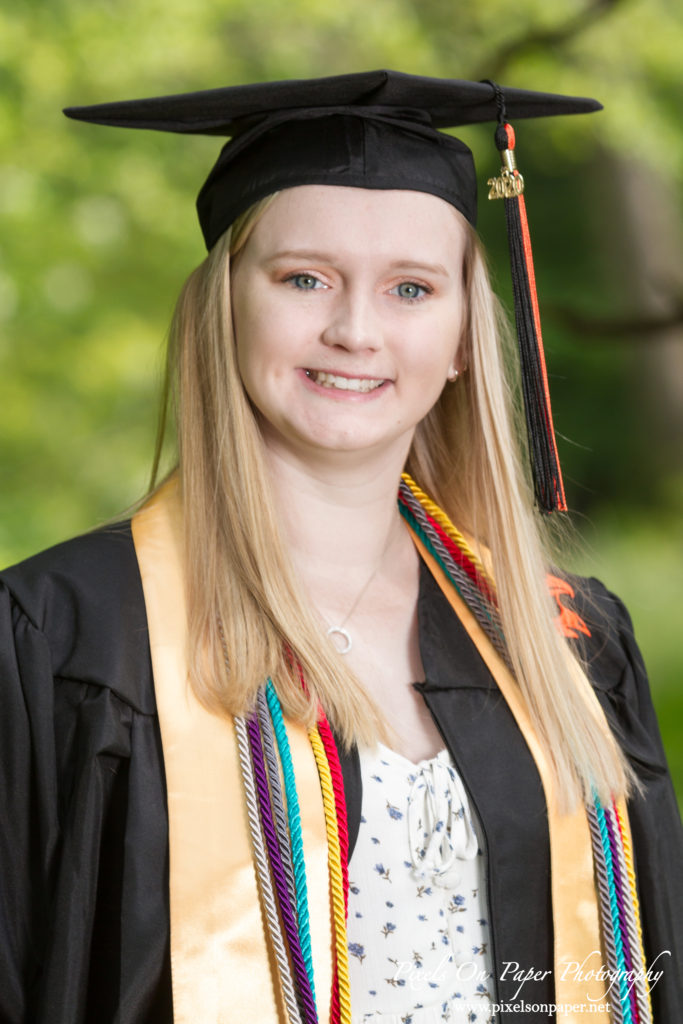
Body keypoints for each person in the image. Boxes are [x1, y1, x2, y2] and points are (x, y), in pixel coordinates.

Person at [0, 71, 681, 1024]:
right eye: (303, 279)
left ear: (458, 340)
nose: (356, 330)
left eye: (411, 287)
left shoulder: (568, 640)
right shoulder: (64, 636)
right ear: (222, 305)